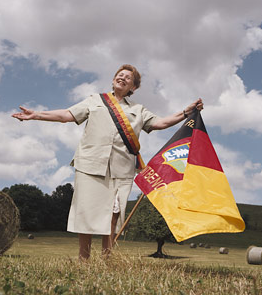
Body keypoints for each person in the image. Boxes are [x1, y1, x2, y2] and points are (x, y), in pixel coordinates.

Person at [12, 64, 203, 260]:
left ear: (133, 87)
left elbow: (160, 123)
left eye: (128, 78)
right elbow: (67, 115)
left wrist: (186, 113)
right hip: (90, 164)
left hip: (122, 169)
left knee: (113, 215)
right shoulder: (95, 100)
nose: (122, 78)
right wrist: (37, 115)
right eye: (119, 75)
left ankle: (107, 259)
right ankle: (83, 259)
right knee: (86, 212)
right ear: (113, 80)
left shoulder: (139, 110)